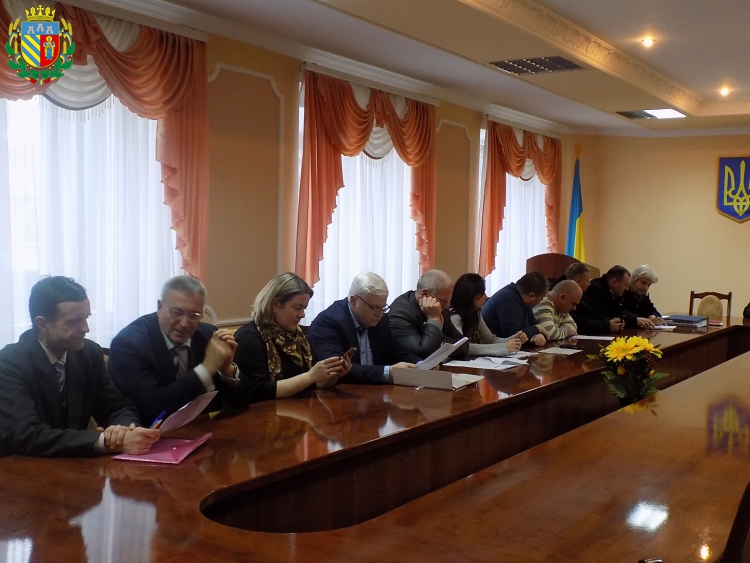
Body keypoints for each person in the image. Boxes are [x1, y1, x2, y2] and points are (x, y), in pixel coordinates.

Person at [0, 276, 160, 457]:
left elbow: (118, 407)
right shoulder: (9, 363)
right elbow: (25, 435)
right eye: (74, 321)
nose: (86, 328)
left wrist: (122, 431)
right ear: (42, 324)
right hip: (22, 467)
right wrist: (104, 442)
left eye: (86, 318)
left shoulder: (89, 354)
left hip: (77, 464)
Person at [108, 275, 252, 424]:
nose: (184, 323)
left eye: (193, 315)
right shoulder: (129, 344)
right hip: (150, 433)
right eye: (176, 312)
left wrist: (227, 370)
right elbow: (151, 410)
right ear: (159, 307)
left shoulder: (208, 336)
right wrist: (206, 369)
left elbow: (243, 401)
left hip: (203, 427)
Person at [233, 273, 351, 401]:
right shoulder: (248, 338)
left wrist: (333, 375)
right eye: (297, 308)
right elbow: (257, 391)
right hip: (265, 412)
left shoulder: (298, 337)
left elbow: (313, 384)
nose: (302, 314)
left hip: (299, 408)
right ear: (275, 304)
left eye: (304, 308)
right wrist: (309, 377)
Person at [307, 272, 418, 385]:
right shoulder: (327, 323)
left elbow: (398, 352)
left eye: (383, 308)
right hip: (342, 393)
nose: (380, 314)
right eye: (375, 308)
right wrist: (387, 372)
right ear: (353, 301)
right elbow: (337, 369)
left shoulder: (380, 320)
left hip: (376, 391)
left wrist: (421, 365)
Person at [388, 270, 469, 360]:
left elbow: (464, 345)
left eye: (449, 300)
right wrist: (433, 319)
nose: (447, 306)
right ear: (425, 294)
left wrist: (437, 337)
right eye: (444, 300)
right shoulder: (400, 314)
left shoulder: (439, 307)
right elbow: (424, 353)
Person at [448, 273, 526, 356]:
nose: (485, 297)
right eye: (482, 293)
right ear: (471, 295)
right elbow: (462, 347)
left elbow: (490, 340)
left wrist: (512, 340)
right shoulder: (455, 316)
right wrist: (503, 347)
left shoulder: (475, 312)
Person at [481, 271, 549, 346]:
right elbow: (512, 336)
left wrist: (539, 335)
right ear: (531, 296)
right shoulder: (508, 299)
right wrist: (538, 329)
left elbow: (532, 324)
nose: (541, 301)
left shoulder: (523, 299)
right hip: (493, 347)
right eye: (542, 298)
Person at [574, 265, 641, 334]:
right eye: (625, 285)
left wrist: (619, 322)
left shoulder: (617, 293)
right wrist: (608, 325)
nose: (627, 289)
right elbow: (594, 317)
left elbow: (619, 312)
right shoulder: (594, 290)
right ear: (614, 283)